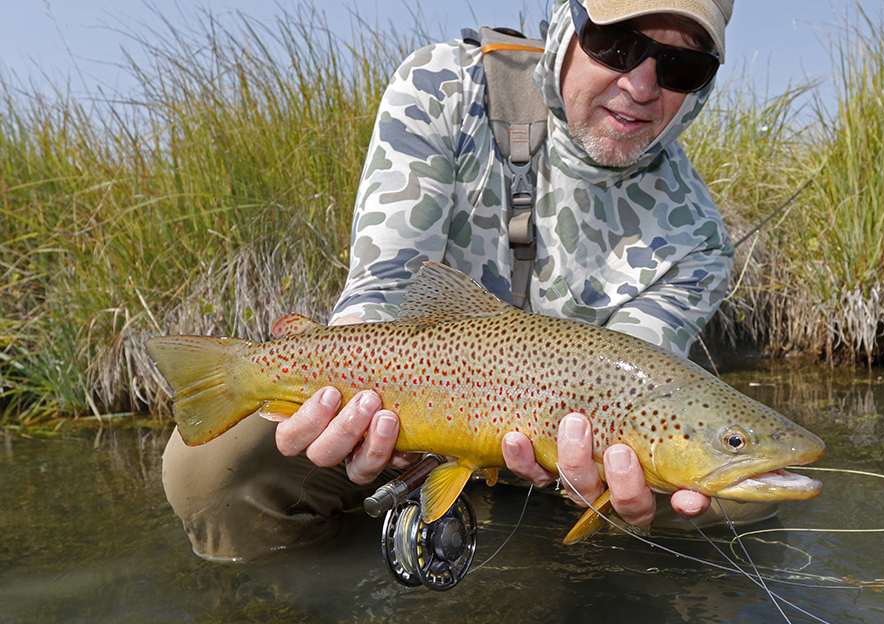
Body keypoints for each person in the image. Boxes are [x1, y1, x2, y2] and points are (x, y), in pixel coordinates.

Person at [162, 0, 738, 561]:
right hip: (408, 406)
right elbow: (383, 287)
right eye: (618, 45)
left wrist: (615, 480)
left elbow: (643, 386)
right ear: (567, 25)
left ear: (703, 85)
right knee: (209, 472)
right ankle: (287, 612)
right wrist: (354, 417)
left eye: (681, 67)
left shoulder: (699, 240)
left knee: (733, 498)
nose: (641, 85)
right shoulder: (447, 91)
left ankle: (545, 552)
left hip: (563, 460)